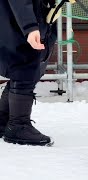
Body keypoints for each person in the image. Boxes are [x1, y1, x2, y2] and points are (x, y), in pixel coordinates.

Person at [0, 0, 57, 146]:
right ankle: (18, 126)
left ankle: (3, 121)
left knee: (22, 70)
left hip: (28, 17)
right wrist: (30, 27)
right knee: (24, 67)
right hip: (22, 20)